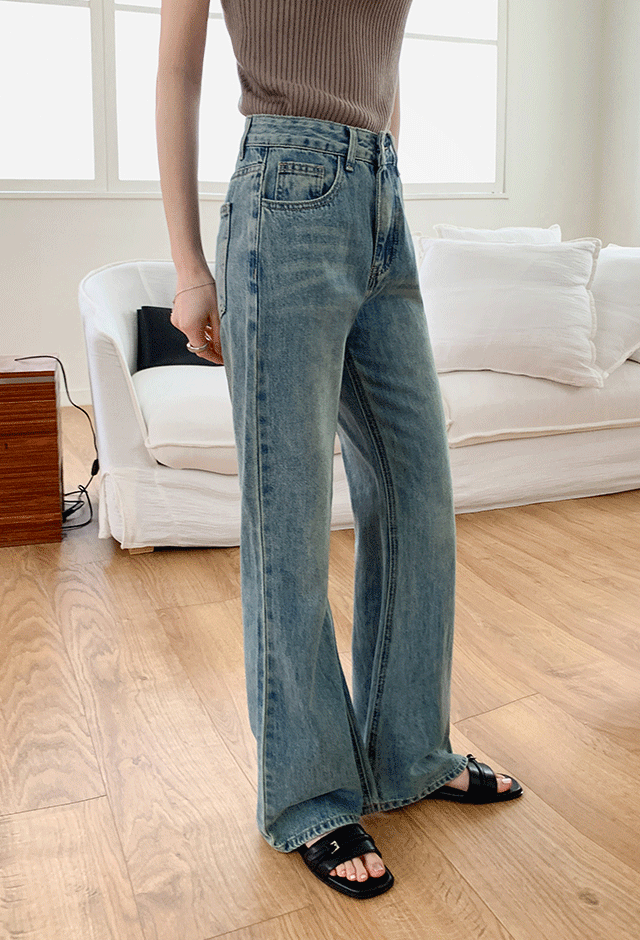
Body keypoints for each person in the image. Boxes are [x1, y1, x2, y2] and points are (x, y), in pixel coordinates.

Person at [156, 0, 522, 900]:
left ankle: (410, 754)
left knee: (417, 492)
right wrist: (190, 267)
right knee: (286, 519)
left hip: (381, 199)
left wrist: (380, 180)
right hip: (283, 197)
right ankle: (309, 794)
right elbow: (177, 72)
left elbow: (379, 63)